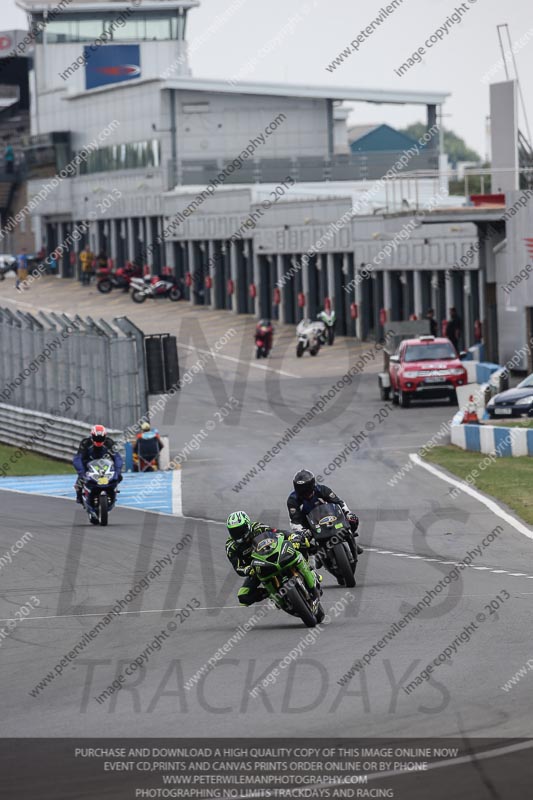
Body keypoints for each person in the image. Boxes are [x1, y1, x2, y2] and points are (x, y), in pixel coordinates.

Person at [225, 511, 321, 607]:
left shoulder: (258, 528)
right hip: (258, 568)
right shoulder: (231, 547)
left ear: (247, 525)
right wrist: (247, 570)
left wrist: (293, 537)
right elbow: (238, 567)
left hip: (275, 555)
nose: (238, 535)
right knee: (243, 597)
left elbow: (278, 533)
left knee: (301, 542)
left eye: (240, 530)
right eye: (234, 532)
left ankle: (308, 569)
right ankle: (271, 593)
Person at [287, 469, 363, 555]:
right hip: (308, 523)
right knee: (299, 542)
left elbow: (338, 502)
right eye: (301, 489)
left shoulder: (322, 489)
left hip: (329, 516)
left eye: (306, 489)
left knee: (353, 519)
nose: (304, 492)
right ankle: (308, 562)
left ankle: (351, 538)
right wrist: (302, 531)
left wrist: (348, 513)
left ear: (312, 485)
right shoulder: (293, 499)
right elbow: (295, 520)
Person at [73, 424, 123, 504]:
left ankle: (112, 492)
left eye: (101, 439)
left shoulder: (109, 442)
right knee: (79, 483)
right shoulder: (85, 443)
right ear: (92, 436)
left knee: (118, 477)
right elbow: (77, 459)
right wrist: (81, 473)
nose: (99, 442)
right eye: (96, 439)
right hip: (88, 464)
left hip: (104, 464)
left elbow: (117, 458)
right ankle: (80, 496)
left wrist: (118, 471)